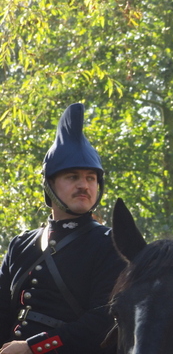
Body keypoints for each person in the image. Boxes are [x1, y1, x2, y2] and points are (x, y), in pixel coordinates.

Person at [0, 103, 125, 354]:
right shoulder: (21, 244)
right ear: (49, 186)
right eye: (72, 177)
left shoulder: (111, 244)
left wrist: (33, 347)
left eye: (91, 178)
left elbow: (103, 322)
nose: (84, 185)